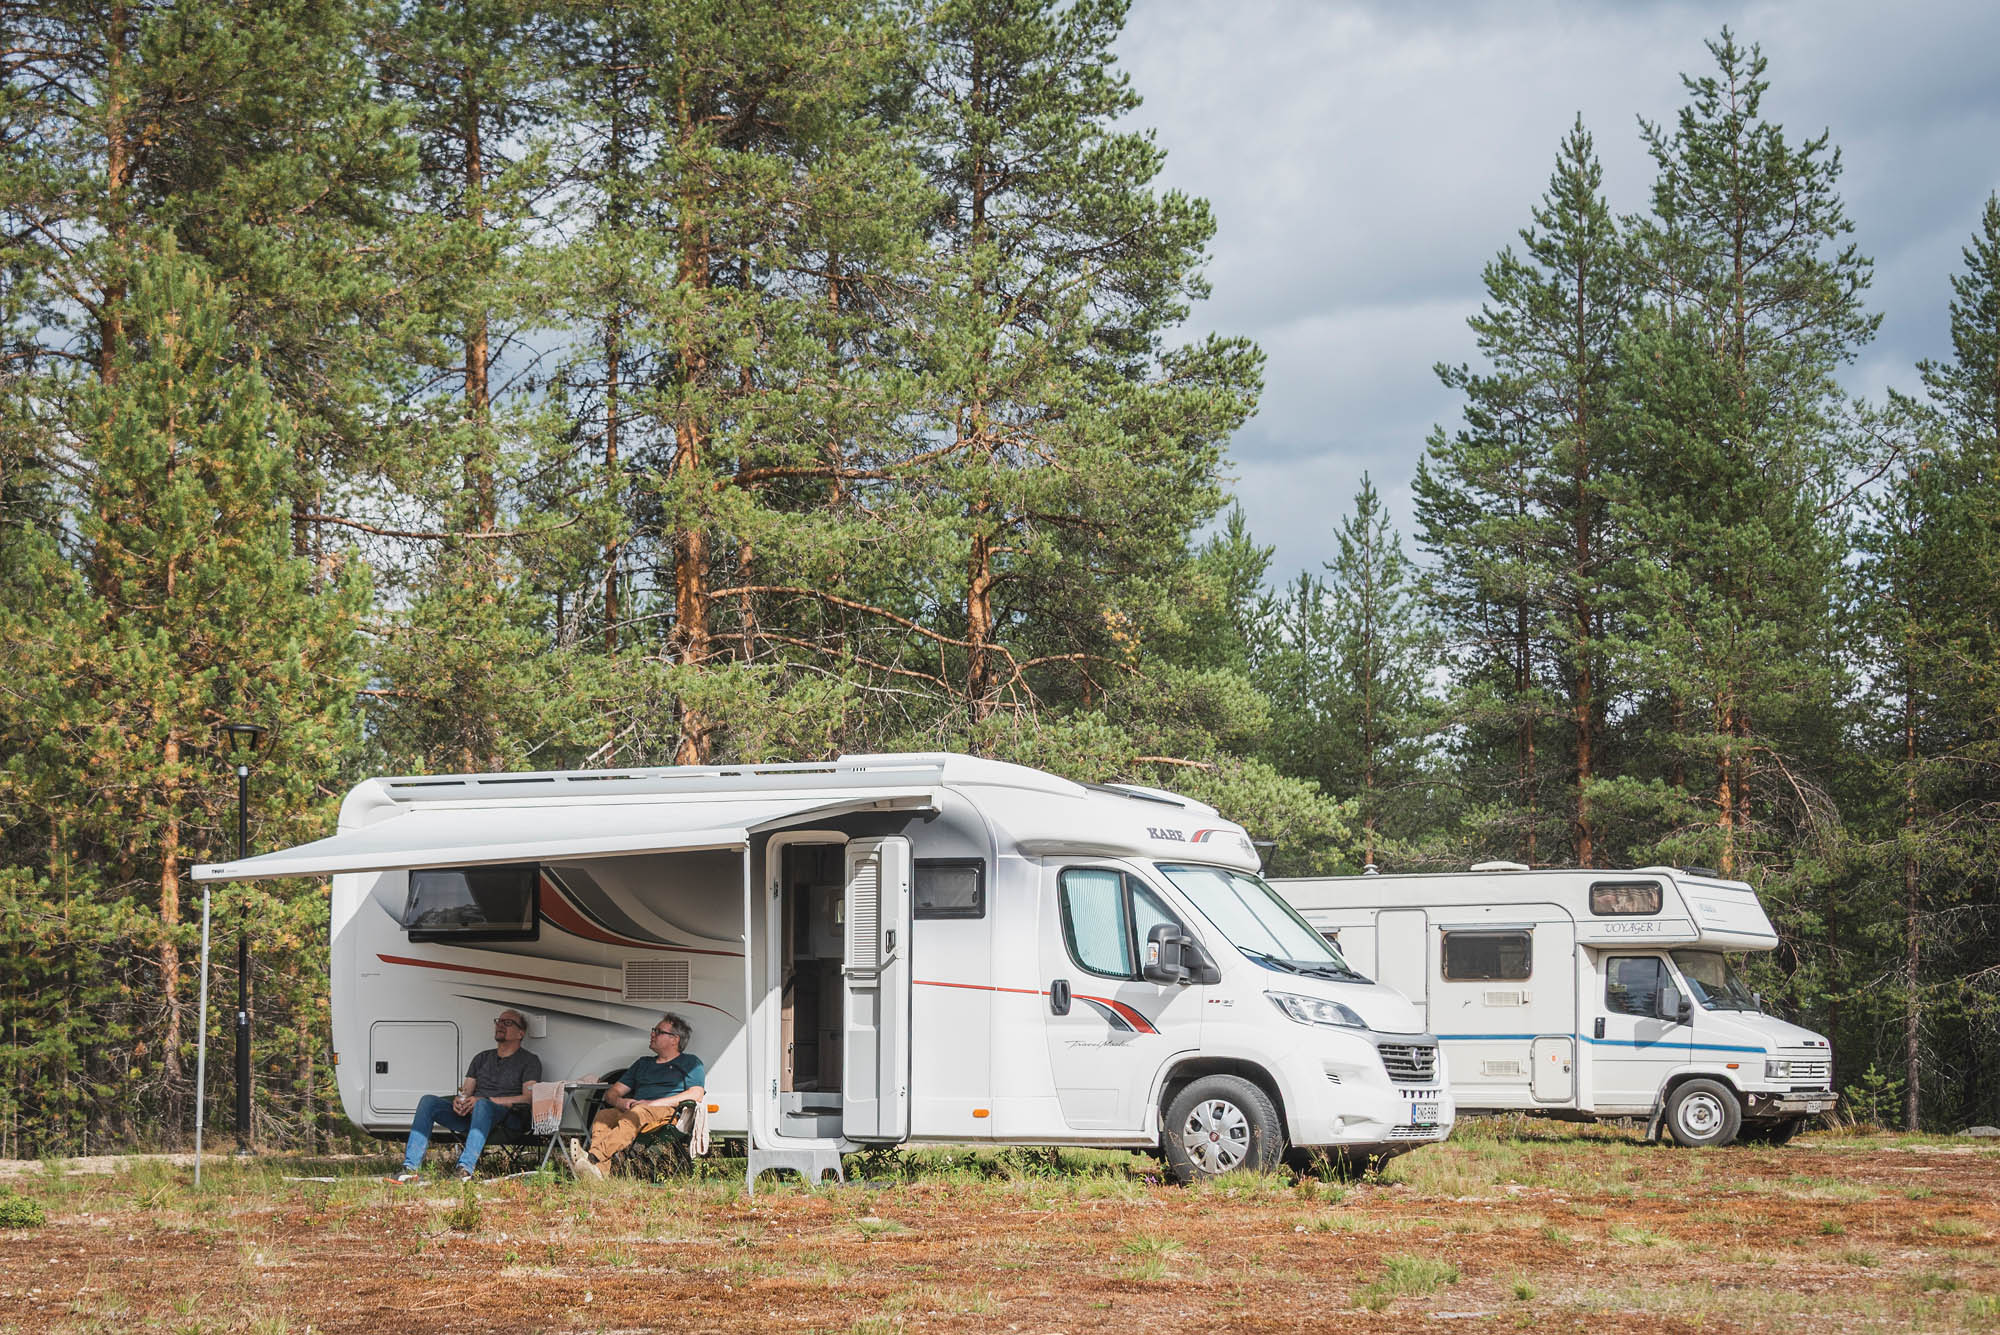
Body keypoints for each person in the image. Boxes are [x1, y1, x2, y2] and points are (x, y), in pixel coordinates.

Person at [387, 1009, 542, 1183]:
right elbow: (466, 1090)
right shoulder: (482, 1058)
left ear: (521, 1033)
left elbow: (528, 1098)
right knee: (428, 1101)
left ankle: (464, 1170)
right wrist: (459, 1101)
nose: (500, 1025)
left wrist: (487, 1101)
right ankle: (410, 1168)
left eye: (507, 1023)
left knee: (482, 1105)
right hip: (473, 1117)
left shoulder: (529, 1061)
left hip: (507, 1120)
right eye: (499, 1021)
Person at [567, 1011, 705, 1180]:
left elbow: (696, 1093)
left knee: (638, 1112)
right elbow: (612, 1093)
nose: (652, 1034)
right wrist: (621, 1101)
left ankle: (592, 1158)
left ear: (674, 1039)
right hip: (636, 1110)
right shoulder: (643, 1063)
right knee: (605, 1115)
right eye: (654, 1030)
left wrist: (653, 1104)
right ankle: (598, 1173)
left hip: (666, 1113)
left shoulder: (689, 1062)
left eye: (659, 1031)